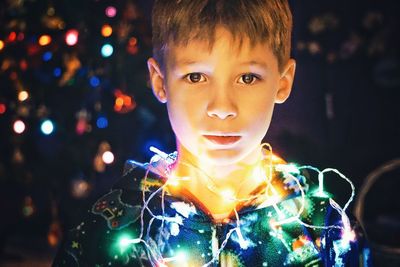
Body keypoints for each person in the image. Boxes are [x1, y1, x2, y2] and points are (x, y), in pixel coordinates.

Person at [53, 0, 372, 266]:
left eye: (247, 77)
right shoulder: (108, 232)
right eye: (195, 77)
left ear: (283, 81)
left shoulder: (324, 230)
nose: (222, 106)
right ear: (160, 81)